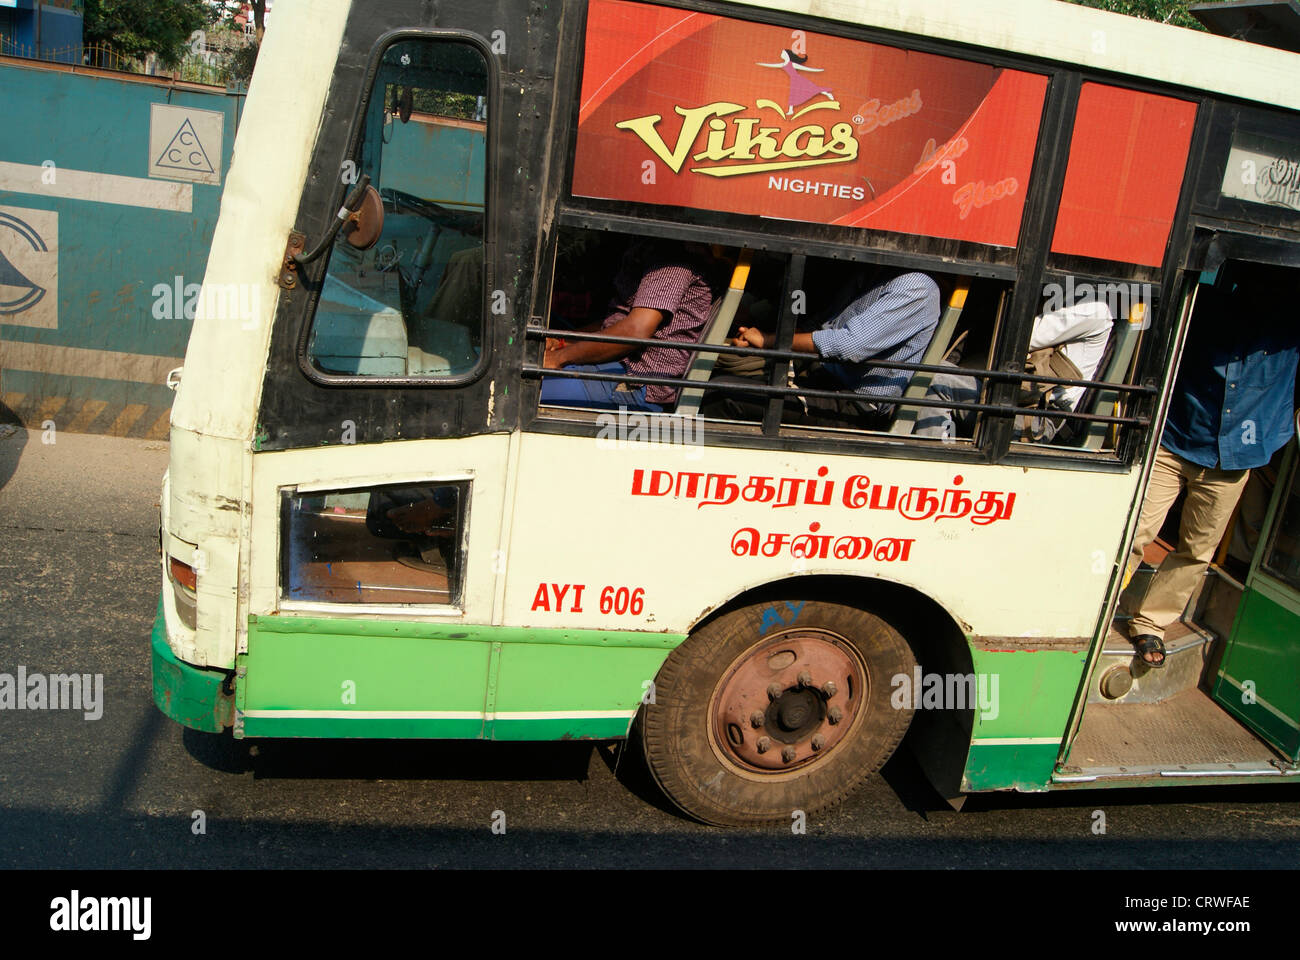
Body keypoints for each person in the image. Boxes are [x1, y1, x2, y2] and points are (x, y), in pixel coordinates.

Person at [1123, 262, 1299, 668]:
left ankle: (1152, 622)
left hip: (1234, 458)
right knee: (1135, 531)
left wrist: (1275, 436)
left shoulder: (1291, 326)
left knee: (1197, 549)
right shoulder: (1206, 306)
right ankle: (1097, 606)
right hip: (1174, 439)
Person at [710, 268, 940, 428]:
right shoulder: (870, 275)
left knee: (722, 395)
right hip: (819, 376)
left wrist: (768, 340)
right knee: (716, 377)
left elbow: (849, 345)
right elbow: (824, 325)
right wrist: (755, 342)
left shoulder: (915, 285)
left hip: (852, 403)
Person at [541, 240, 722, 411]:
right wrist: (562, 342)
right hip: (615, 366)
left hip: (635, 383)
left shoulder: (672, 264)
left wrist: (558, 358)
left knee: (521, 390)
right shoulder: (648, 252)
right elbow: (614, 323)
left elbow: (636, 331)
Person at [913, 299, 1113, 441]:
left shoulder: (1093, 309)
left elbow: (1016, 338)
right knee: (936, 370)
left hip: (1035, 420)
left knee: (936, 378)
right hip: (1010, 401)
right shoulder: (1066, 300)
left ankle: (935, 466)